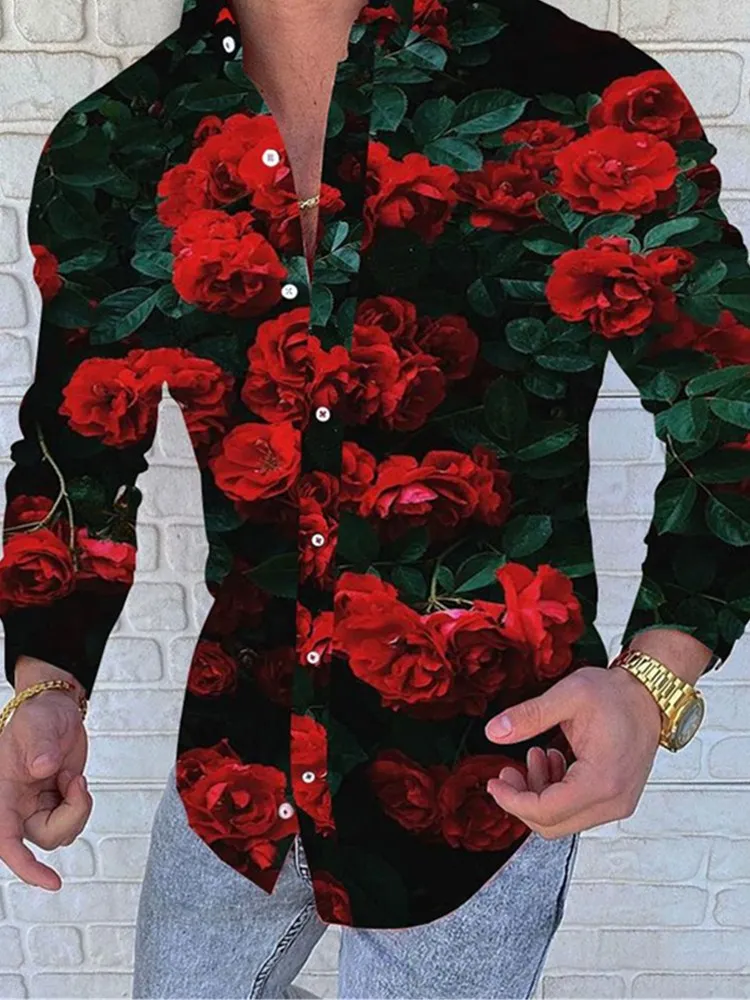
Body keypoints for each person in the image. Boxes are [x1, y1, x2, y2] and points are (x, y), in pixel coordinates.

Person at [0, 0, 747, 995]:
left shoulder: (582, 99)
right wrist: (46, 688)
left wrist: (655, 683)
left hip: (486, 785)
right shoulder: (120, 141)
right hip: (237, 769)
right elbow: (76, 461)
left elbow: (732, 413)